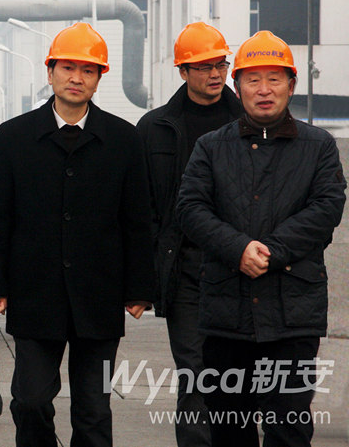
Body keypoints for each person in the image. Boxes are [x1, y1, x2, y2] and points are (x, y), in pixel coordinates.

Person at [0, 23, 154, 447]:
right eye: (68, 68)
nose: (77, 78)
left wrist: (140, 288)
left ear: (99, 77)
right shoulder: (14, 137)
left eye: (88, 70)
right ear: (50, 71)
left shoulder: (123, 139)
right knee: (31, 401)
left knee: (94, 411)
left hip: (100, 296)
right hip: (35, 293)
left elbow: (137, 220)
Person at [177, 31, 346, 447]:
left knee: (289, 427)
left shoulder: (319, 146)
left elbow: (327, 207)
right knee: (228, 428)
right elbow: (191, 209)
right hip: (226, 315)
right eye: (253, 80)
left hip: (293, 315)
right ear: (238, 87)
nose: (264, 89)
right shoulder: (210, 147)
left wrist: (271, 251)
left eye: (274, 78)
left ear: (292, 84)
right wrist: (237, 249)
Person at [136, 22, 242, 447]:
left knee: (242, 375)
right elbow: (142, 208)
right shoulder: (155, 128)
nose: (215, 74)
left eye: (220, 65)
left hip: (241, 265)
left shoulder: (250, 121)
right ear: (182, 71)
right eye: (203, 67)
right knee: (196, 374)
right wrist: (144, 278)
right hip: (185, 269)